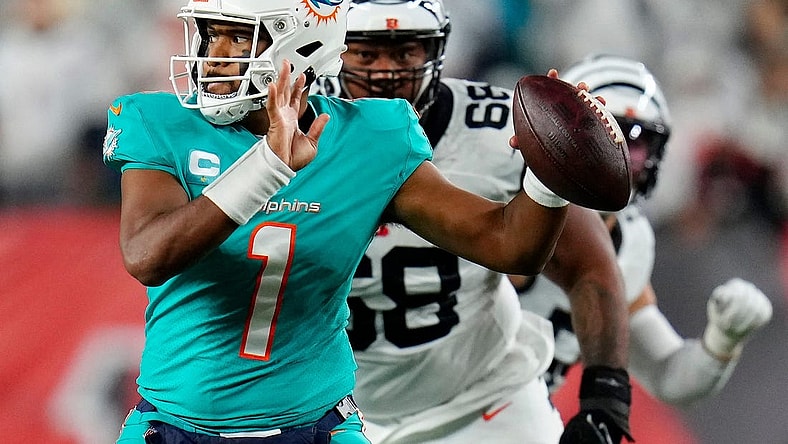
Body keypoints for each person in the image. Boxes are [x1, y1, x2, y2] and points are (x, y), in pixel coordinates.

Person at [103, 1, 618, 443]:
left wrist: (550, 175)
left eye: (239, 39)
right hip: (173, 425)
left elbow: (510, 245)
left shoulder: (371, 137)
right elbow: (148, 255)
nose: (214, 56)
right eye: (213, 35)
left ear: (299, 46)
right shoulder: (161, 122)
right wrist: (267, 167)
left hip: (314, 425)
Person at [313, 1, 633, 443]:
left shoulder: (501, 131)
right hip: (335, 412)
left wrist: (606, 397)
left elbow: (588, 264)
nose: (385, 73)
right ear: (332, 52)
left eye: (405, 53)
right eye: (366, 54)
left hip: (484, 398)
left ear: (436, 51)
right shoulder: (296, 137)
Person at [519, 54, 774, 406]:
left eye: (635, 144)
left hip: (515, 418)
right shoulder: (502, 192)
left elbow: (669, 376)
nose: (618, 157)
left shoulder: (629, 241)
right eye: (604, 134)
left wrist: (722, 341)